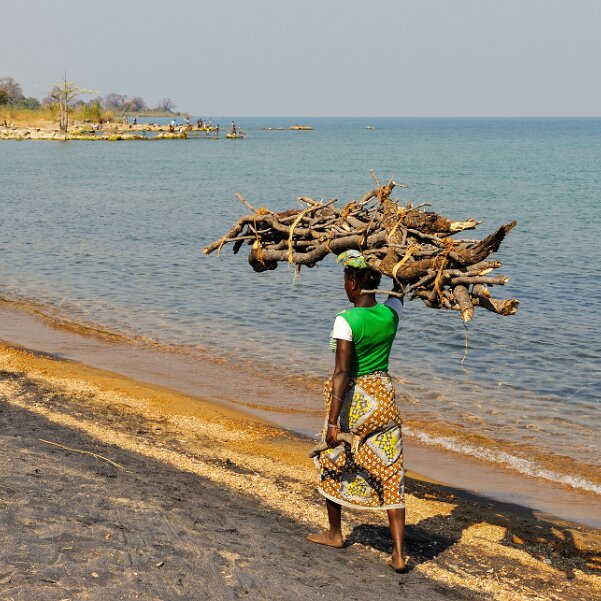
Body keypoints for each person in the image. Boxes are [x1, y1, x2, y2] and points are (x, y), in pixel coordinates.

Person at [308, 249, 407, 572]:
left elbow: (342, 373)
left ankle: (336, 533)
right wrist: (396, 262)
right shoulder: (391, 313)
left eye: (345, 279)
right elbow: (401, 288)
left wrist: (334, 423)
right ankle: (398, 554)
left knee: (333, 460)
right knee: (392, 471)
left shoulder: (346, 320)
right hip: (385, 399)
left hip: (356, 401)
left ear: (352, 283)